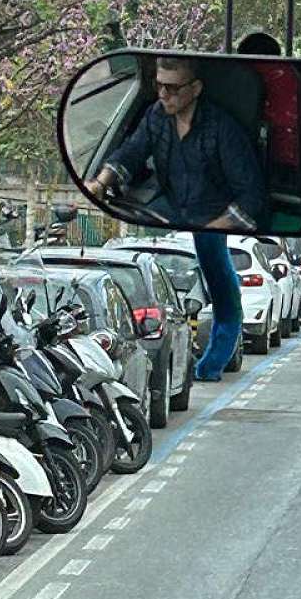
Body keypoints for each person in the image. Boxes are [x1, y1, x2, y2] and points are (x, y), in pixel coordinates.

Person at [85, 54, 264, 380]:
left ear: (195, 89)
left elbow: (251, 198)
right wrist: (99, 183)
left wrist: (213, 226)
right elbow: (131, 152)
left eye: (172, 88)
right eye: (158, 86)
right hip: (167, 207)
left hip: (211, 217)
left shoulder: (222, 129)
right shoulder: (156, 115)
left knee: (225, 295)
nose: (163, 95)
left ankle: (210, 367)